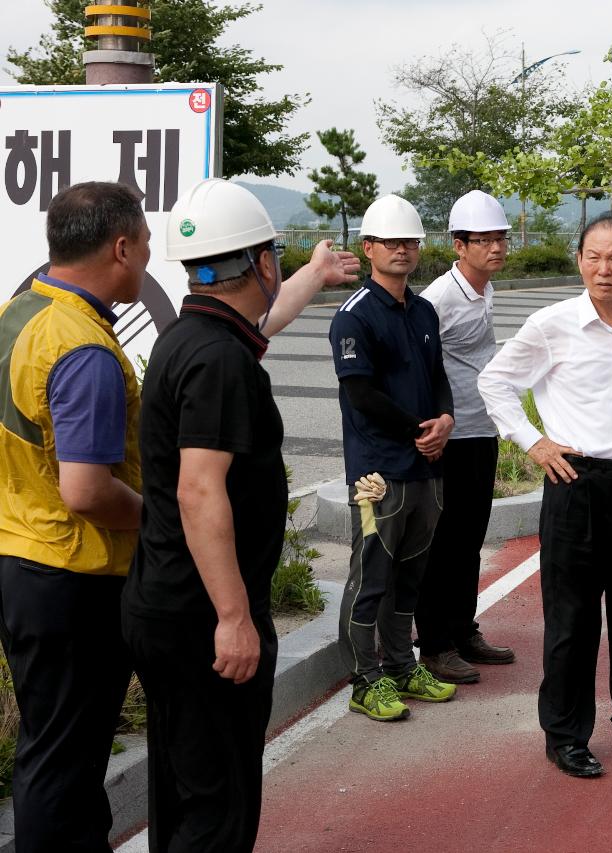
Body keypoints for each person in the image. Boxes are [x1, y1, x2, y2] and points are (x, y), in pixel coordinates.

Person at [121, 177, 359, 851]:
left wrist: (313, 274)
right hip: (201, 618)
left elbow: (261, 321)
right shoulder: (221, 362)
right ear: (259, 262)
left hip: (165, 603)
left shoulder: (190, 335)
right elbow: (200, 491)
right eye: (276, 257)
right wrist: (233, 617)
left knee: (185, 787)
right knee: (217, 810)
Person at [477, 211, 612, 779]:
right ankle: (567, 735)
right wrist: (533, 442)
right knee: (571, 619)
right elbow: (494, 382)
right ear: (579, 261)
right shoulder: (551, 325)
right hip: (575, 485)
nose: (604, 269)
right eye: (593, 257)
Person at [0, 182, 146, 853]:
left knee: (53, 748)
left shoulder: (18, 312)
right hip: (74, 574)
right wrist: (159, 521)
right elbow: (87, 490)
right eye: (143, 243)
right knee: (65, 760)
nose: (146, 257)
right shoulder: (83, 349)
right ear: (120, 246)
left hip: (22, 555)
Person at [331, 194, 457, 722]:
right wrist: (418, 431)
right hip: (379, 472)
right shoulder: (353, 317)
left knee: (411, 576)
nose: (403, 250)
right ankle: (364, 679)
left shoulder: (424, 309)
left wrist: (445, 421)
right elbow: (361, 394)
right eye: (391, 242)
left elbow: (437, 380)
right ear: (368, 248)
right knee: (371, 578)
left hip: (426, 469)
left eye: (410, 241)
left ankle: (403, 667)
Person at [415, 190, 517, 684]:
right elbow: (421, 369)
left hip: (483, 430)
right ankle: (433, 644)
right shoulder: (438, 299)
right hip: (451, 438)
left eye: (501, 238)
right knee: (444, 541)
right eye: (484, 240)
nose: (496, 248)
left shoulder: (484, 288)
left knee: (471, 538)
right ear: (459, 245)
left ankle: (462, 629)